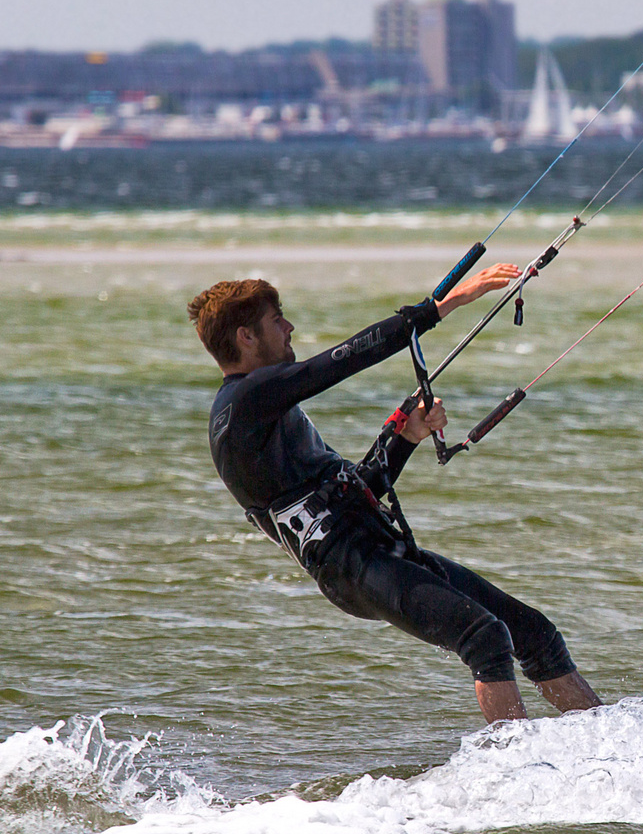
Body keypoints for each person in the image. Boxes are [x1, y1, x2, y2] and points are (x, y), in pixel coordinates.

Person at [186, 272, 602, 723]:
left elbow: (362, 489)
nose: (289, 330)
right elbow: (337, 362)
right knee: (484, 637)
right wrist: (439, 307)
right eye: (277, 320)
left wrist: (407, 438)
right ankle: (519, 765)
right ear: (246, 337)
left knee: (533, 632)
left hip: (375, 546)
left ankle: (610, 747)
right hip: (351, 565)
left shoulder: (268, 410)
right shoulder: (243, 402)